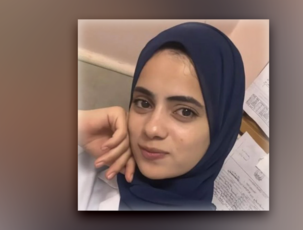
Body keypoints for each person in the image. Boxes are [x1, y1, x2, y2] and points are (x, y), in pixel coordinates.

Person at [78, 22, 245, 210]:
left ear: (221, 130)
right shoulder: (90, 164)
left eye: (185, 112)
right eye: (144, 103)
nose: (152, 128)